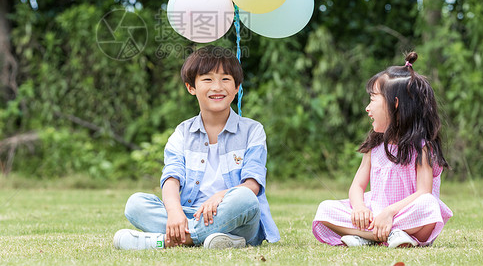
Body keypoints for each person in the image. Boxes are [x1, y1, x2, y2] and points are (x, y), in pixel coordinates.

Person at [114, 45, 280, 250]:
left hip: (235, 216)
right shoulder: (182, 132)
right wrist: (175, 212)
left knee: (245, 199)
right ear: (191, 87)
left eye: (226, 79)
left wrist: (221, 196)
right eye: (207, 79)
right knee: (136, 204)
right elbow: (171, 179)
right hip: (189, 212)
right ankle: (217, 239)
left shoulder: (252, 130)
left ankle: (167, 240)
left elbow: (253, 185)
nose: (217, 87)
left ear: (237, 87)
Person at [312, 52, 452, 248]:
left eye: (373, 99)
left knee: (428, 205)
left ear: (395, 104)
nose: (367, 108)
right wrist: (360, 208)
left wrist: (390, 213)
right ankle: (386, 235)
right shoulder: (375, 145)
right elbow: (357, 187)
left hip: (404, 214)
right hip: (375, 214)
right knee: (325, 208)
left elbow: (423, 192)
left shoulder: (422, 147)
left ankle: (370, 236)